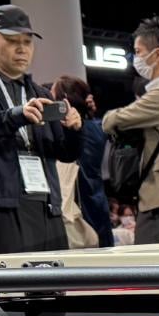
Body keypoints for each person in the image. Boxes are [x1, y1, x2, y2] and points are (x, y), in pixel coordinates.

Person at [0, 4, 82, 258]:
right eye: (12, 41)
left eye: (27, 41)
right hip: (0, 208)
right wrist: (14, 116)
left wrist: (74, 130)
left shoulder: (40, 93)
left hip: (48, 206)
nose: (22, 49)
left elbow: (65, 153)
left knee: (55, 281)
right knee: (11, 281)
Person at [101, 17, 159, 244]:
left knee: (151, 265)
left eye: (138, 52)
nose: (136, 59)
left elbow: (111, 121)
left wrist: (111, 116)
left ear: (157, 55)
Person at [51, 75, 113, 247]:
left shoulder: (65, 132)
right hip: (97, 200)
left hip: (76, 207)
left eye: (52, 96)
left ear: (64, 101)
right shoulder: (98, 128)